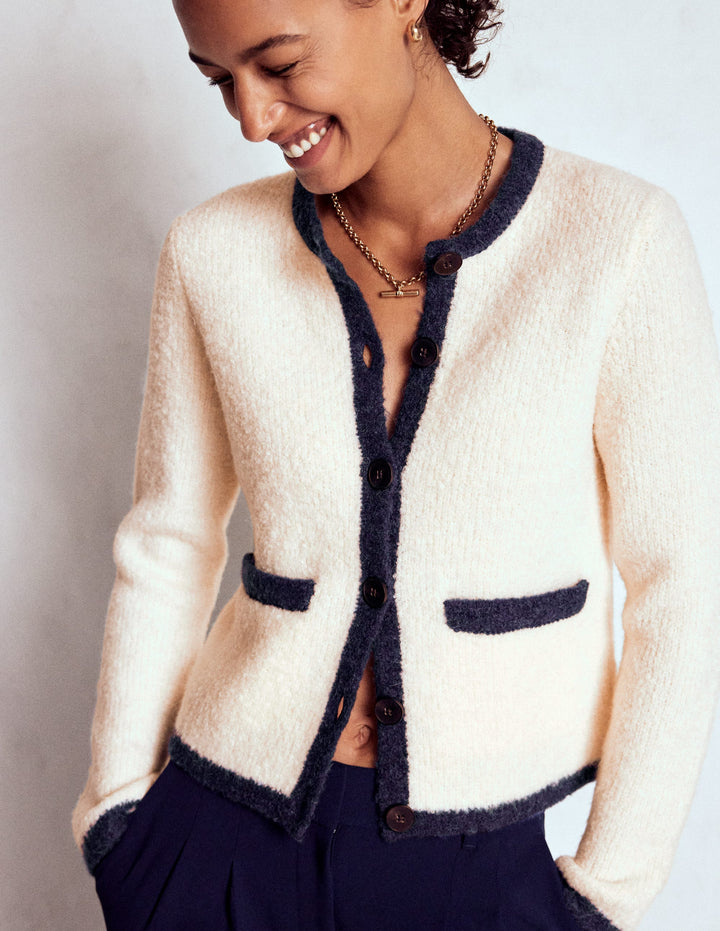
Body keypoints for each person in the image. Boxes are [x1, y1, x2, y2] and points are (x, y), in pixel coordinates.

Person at [71, 0, 720, 927]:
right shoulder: (212, 251)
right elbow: (167, 542)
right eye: (220, 83)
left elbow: (683, 583)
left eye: (278, 64)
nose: (253, 119)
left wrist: (609, 888)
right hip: (219, 832)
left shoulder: (616, 243)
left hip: (479, 868)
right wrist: (118, 817)